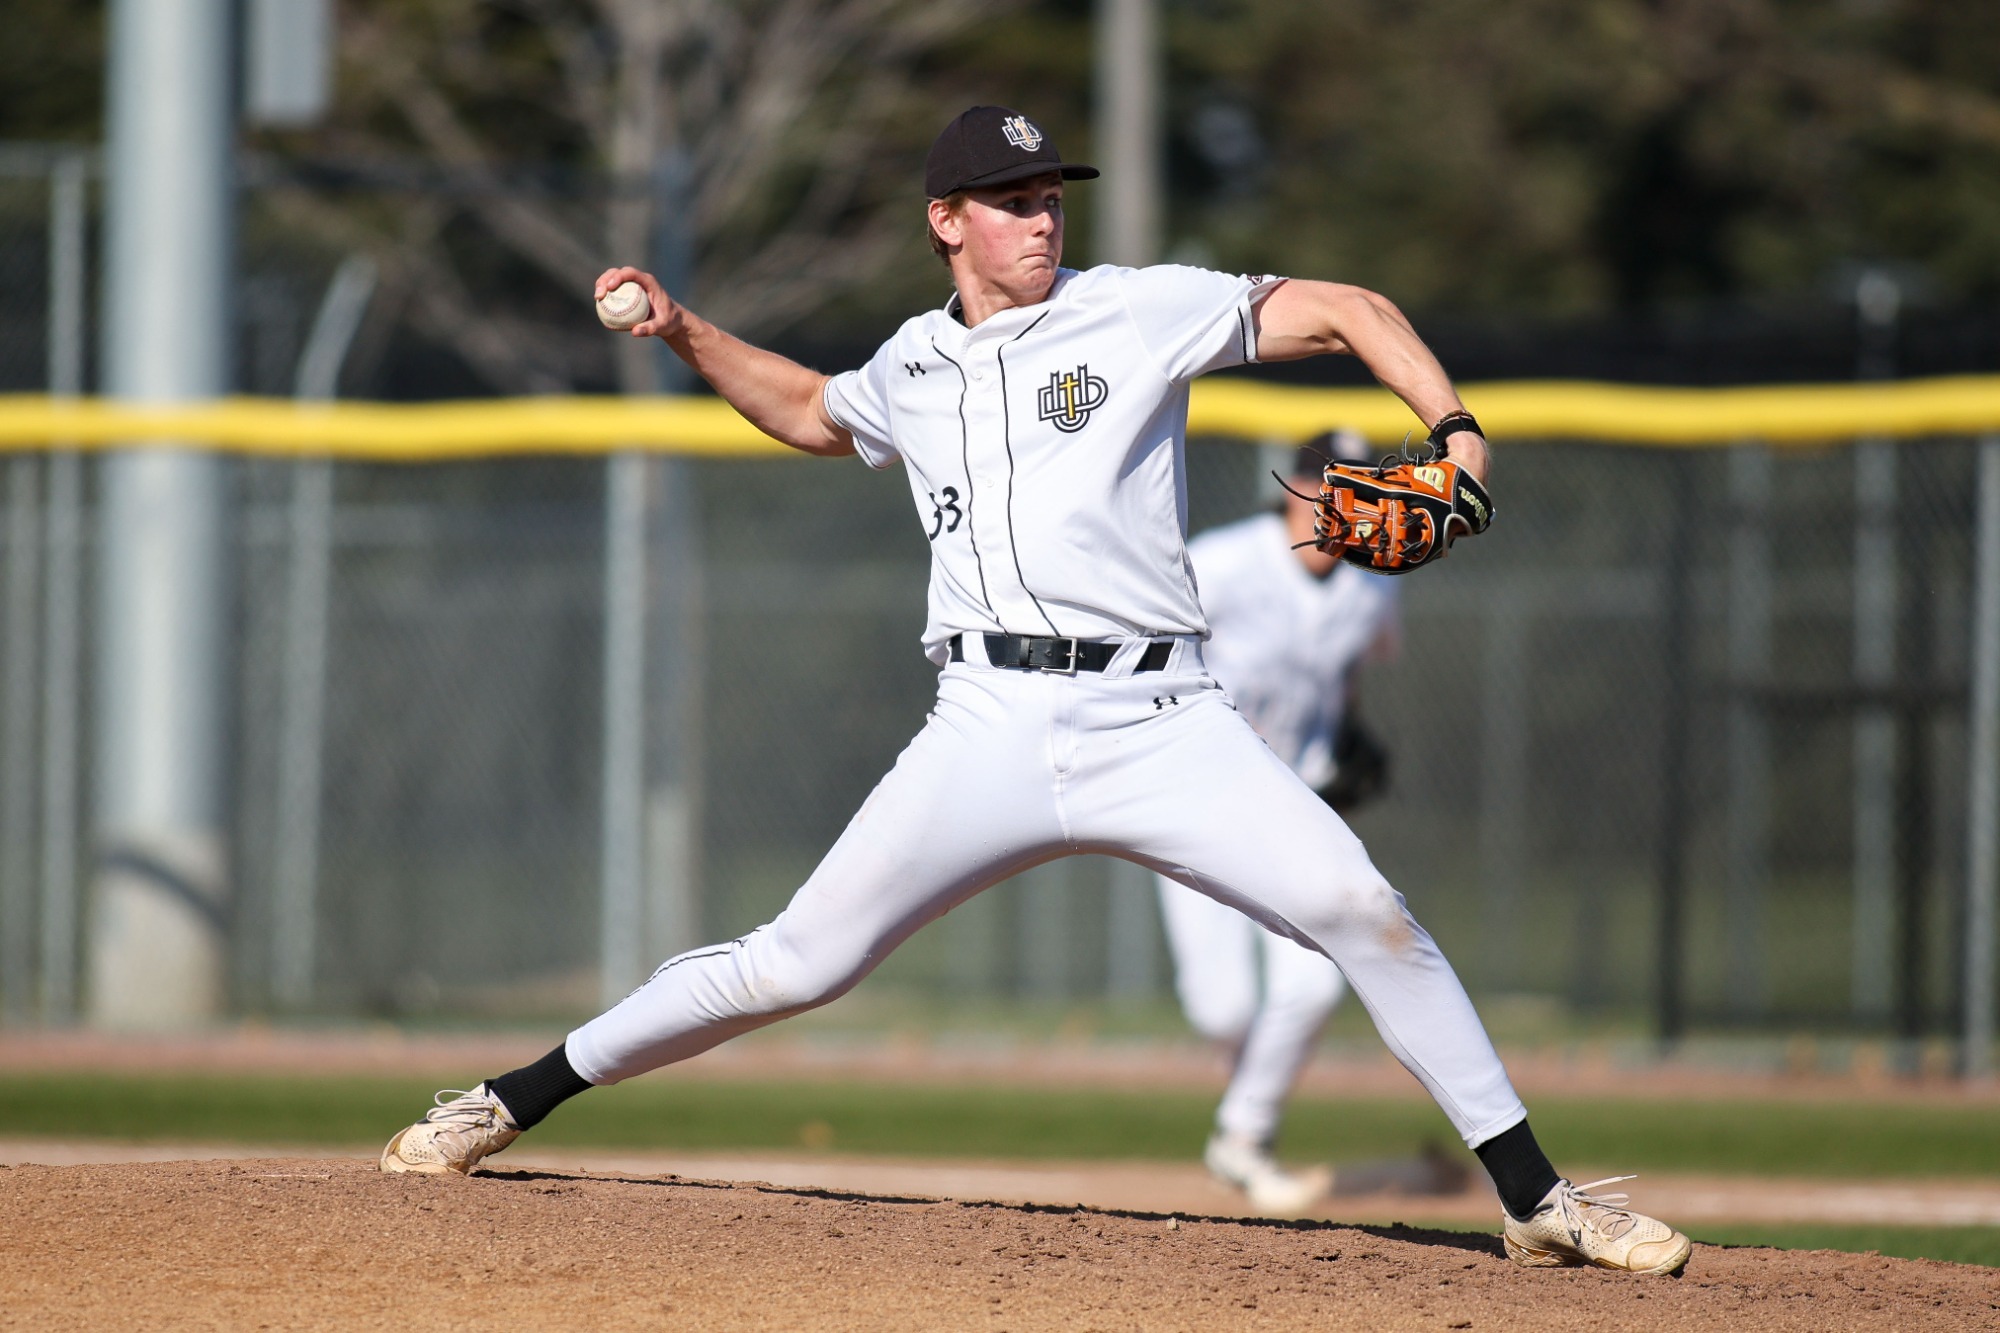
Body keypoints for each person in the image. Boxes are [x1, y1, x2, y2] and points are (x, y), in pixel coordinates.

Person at [379, 104, 1692, 1277]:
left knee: (1366, 912)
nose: (1040, 217)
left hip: (1163, 718)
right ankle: (507, 1099)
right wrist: (682, 330)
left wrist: (1452, 426)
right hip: (989, 726)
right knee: (797, 961)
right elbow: (807, 412)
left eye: (1052, 194)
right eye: (1013, 200)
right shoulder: (914, 362)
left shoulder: (1135, 307)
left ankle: (1539, 1199)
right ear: (947, 220)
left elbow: (1352, 308)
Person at [1160, 432, 1399, 1216]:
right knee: (1221, 1010)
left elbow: (1358, 668)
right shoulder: (1224, 560)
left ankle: (1242, 1135)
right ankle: (1244, 1116)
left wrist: (1353, 731)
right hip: (1195, 803)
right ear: (1292, 487)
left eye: (1356, 486)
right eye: (1325, 482)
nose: (1339, 498)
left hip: (1296, 810)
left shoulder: (1373, 586)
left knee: (1315, 979)